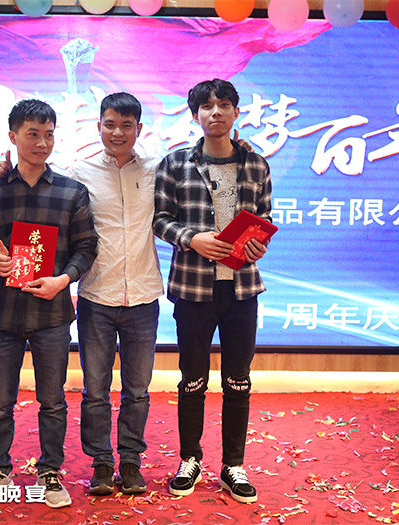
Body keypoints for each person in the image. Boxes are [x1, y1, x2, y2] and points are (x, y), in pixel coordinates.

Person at [0, 93, 162, 495]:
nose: (117, 132)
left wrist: (237, 146)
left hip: (143, 295)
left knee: (138, 391)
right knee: (95, 391)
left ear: (139, 129)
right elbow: (31, 196)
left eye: (126, 125)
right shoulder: (79, 173)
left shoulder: (158, 169)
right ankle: (101, 462)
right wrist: (3, 172)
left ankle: (131, 461)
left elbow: (195, 172)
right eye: (109, 124)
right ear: (98, 127)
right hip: (96, 295)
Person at [0, 99, 98, 509]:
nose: (42, 143)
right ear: (13, 137)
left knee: (53, 401)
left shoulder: (71, 191)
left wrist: (64, 279)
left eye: (48, 135)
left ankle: (50, 471)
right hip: (4, 313)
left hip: (52, 313)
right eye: (32, 134)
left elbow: (86, 246)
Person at [153, 78, 272, 504]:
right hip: (193, 288)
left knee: (238, 379)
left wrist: (258, 244)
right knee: (193, 379)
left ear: (236, 112)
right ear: (195, 115)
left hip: (242, 290)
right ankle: (190, 459)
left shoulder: (256, 165)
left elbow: (264, 218)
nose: (215, 112)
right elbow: (159, 219)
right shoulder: (175, 163)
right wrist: (192, 239)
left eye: (224, 104)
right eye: (207, 106)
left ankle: (233, 465)